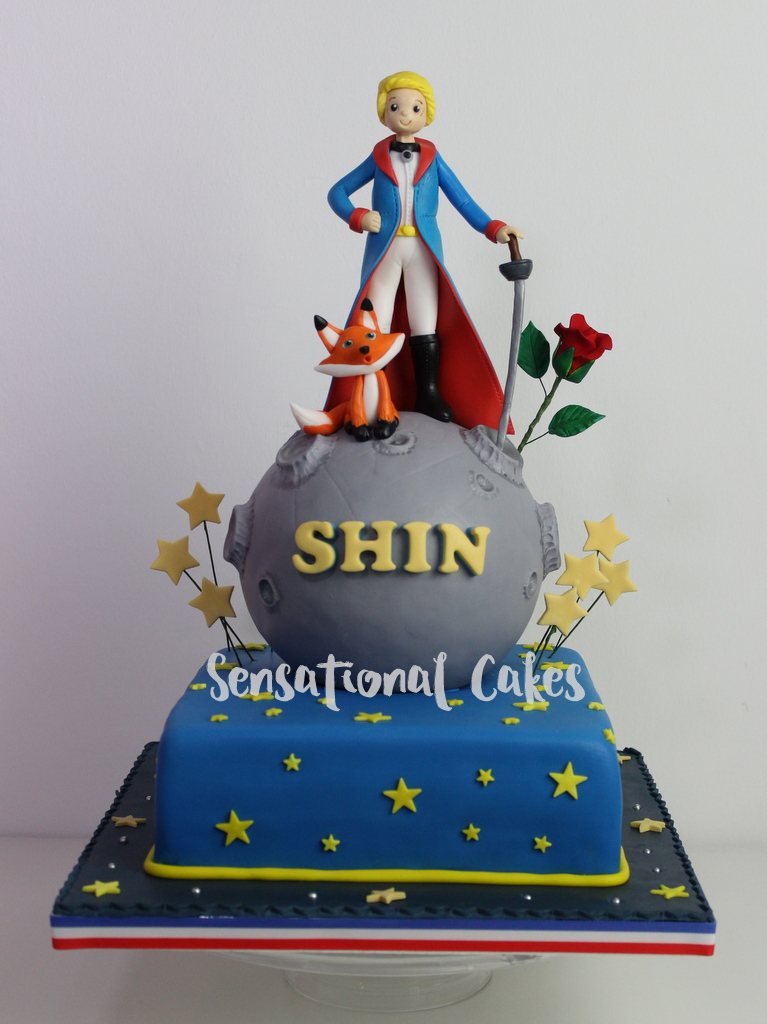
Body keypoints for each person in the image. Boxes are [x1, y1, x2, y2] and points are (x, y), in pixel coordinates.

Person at [326, 71, 522, 430]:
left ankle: (428, 392)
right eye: (395, 106)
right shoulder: (378, 155)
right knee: (375, 323)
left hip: (423, 249)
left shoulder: (432, 157)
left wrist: (493, 228)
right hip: (384, 250)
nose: (404, 114)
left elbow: (463, 200)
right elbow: (337, 192)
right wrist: (357, 216)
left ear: (427, 112)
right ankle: (375, 397)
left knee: (424, 319)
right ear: (383, 111)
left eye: (414, 107)